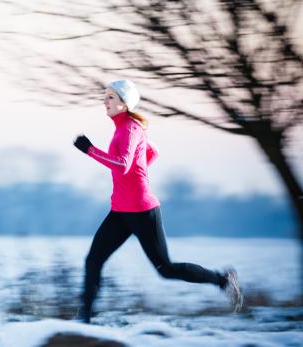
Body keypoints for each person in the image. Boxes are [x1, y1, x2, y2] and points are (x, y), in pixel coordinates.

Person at [73, 79, 243, 324]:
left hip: (142, 212)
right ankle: (84, 320)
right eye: (105, 95)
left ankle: (223, 279)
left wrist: (90, 150)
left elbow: (122, 165)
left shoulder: (130, 128)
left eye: (110, 97)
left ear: (124, 103)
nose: (105, 101)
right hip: (120, 211)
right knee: (93, 260)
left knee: (165, 269)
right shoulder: (124, 127)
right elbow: (151, 152)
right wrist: (136, 176)